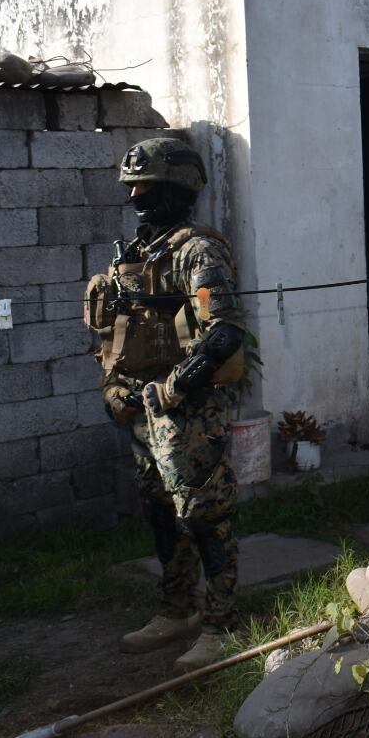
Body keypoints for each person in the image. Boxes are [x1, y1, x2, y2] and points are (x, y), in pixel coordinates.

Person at [86, 137, 246, 673]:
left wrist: (174, 389)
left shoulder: (197, 251)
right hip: (139, 406)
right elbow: (114, 328)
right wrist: (114, 387)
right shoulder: (135, 255)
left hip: (187, 410)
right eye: (132, 188)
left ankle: (223, 622)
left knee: (204, 514)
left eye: (149, 189)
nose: (137, 199)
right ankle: (177, 610)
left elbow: (223, 334)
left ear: (181, 190)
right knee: (160, 511)